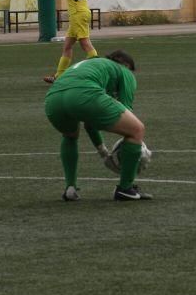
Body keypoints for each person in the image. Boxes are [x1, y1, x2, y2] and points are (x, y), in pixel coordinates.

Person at [44, 49, 152, 201]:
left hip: (53, 100)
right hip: (82, 94)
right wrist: (132, 151)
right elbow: (126, 111)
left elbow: (90, 123)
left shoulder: (91, 65)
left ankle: (70, 187)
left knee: (70, 136)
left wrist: (103, 152)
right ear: (127, 65)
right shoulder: (124, 71)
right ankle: (125, 188)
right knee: (136, 130)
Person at [39, 0, 101, 83]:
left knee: (86, 44)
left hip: (77, 14)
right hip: (83, 12)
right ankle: (59, 77)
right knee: (67, 46)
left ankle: (99, 72)